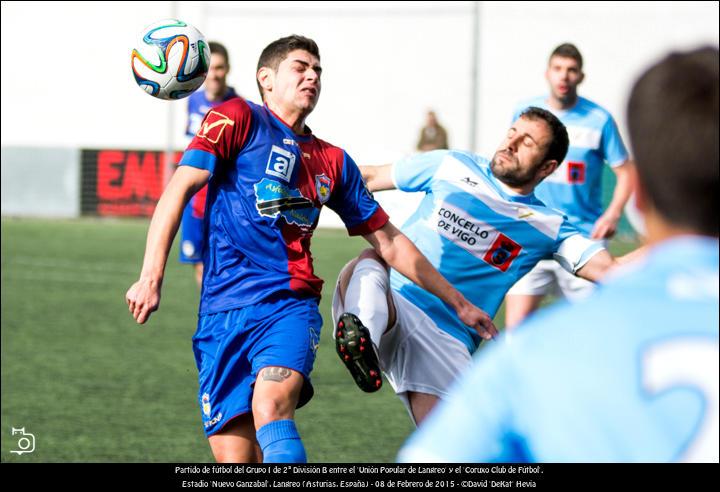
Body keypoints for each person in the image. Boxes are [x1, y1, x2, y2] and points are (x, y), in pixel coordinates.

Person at [125, 35, 495, 464]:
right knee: (235, 457)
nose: (312, 76)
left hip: (288, 304)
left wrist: (458, 302)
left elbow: (389, 241)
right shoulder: (236, 118)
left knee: (271, 407)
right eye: (301, 67)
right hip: (220, 312)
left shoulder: (333, 161)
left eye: (317, 70)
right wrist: (151, 277)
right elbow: (178, 190)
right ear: (266, 77)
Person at [397, 47, 719, 463]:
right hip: (540, 242)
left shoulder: (540, 353)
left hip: (569, 240)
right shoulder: (517, 122)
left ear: (636, 194)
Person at [333, 106, 626, 425]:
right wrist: (308, 184)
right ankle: (363, 344)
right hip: (394, 301)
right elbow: (369, 176)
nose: (511, 143)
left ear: (547, 167)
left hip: (449, 338)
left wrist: (681, 241)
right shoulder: (452, 164)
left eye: (527, 142)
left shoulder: (549, 225)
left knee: (455, 450)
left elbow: (610, 271)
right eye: (512, 133)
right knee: (371, 260)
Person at [504, 43, 634, 329]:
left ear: (581, 77)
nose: (564, 76)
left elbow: (626, 172)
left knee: (595, 330)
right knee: (516, 332)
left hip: (582, 236)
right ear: (547, 73)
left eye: (571, 70)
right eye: (558, 69)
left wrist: (612, 214)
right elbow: (510, 164)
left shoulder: (599, 119)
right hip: (532, 230)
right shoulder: (526, 114)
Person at [179, 41, 239, 286]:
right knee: (200, 267)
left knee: (226, 269)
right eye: (210, 68)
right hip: (195, 200)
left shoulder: (238, 107)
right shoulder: (192, 100)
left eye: (220, 68)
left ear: (228, 69)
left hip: (224, 201)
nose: (214, 74)